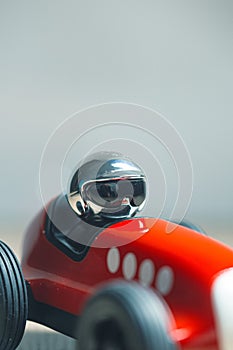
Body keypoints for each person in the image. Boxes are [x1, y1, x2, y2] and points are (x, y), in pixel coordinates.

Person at [45, 152, 147, 259]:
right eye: (107, 192)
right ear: (81, 197)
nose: (124, 201)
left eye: (134, 189)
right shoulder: (77, 236)